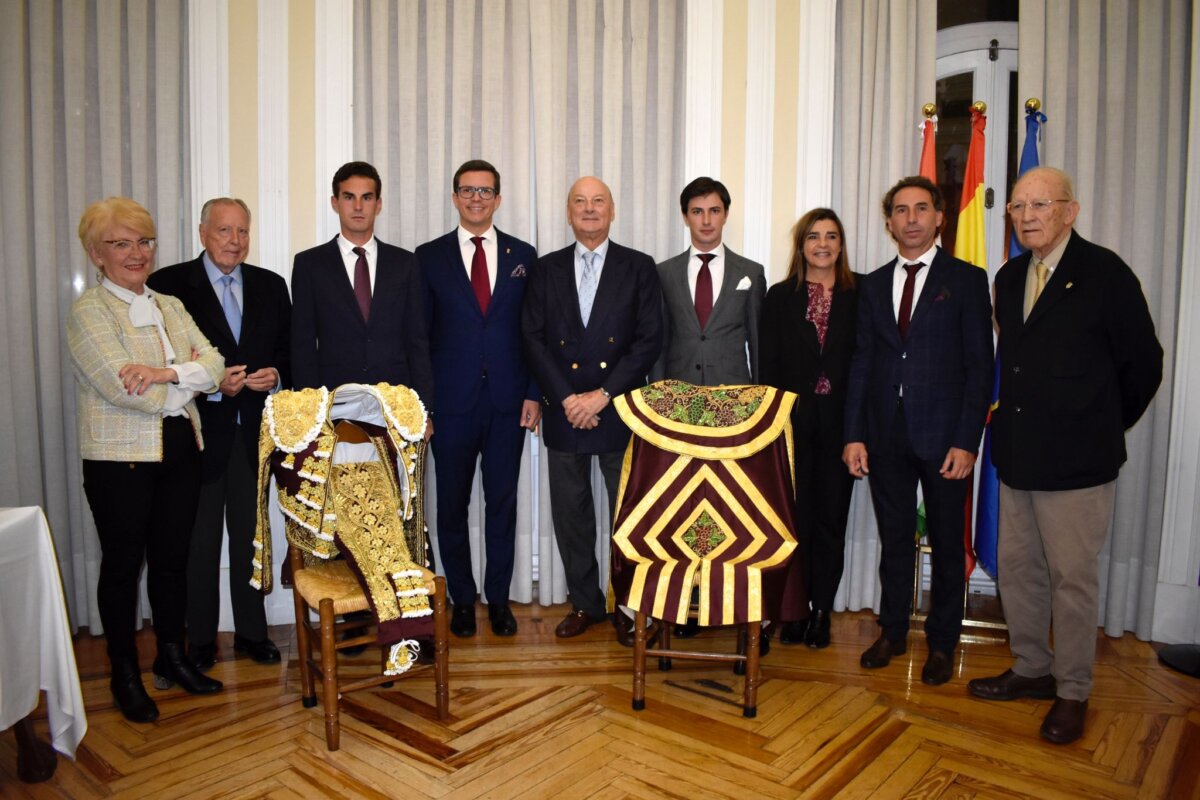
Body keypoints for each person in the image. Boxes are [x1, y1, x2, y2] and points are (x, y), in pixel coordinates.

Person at [967, 167, 1162, 744]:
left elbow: (1143, 365)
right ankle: (1032, 668)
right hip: (1019, 455)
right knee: (1020, 572)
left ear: (1070, 211)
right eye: (1018, 208)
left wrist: (1101, 422)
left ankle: (1072, 690)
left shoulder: (1105, 274)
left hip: (1079, 463)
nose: (1026, 216)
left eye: (1040, 205)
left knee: (1072, 580)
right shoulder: (1006, 277)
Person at [67, 197, 227, 723]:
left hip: (181, 452)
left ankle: (171, 659)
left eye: (143, 241)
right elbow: (122, 387)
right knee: (121, 569)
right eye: (121, 243)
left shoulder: (169, 305)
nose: (136, 253)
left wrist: (165, 373)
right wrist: (187, 380)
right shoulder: (90, 311)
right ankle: (124, 674)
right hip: (120, 463)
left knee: (171, 564)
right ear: (97, 253)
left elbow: (217, 363)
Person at [842, 176, 993, 686]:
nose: (911, 219)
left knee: (949, 544)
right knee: (895, 541)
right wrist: (854, 434)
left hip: (946, 439)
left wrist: (967, 440)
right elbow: (862, 362)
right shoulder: (873, 283)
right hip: (886, 436)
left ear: (939, 217)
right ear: (889, 222)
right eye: (901, 210)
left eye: (920, 209)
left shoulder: (967, 279)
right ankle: (892, 632)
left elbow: (980, 367)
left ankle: (943, 644)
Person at [147, 198, 290, 671]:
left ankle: (252, 633)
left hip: (252, 433)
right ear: (203, 233)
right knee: (200, 543)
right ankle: (202, 641)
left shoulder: (271, 285)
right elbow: (161, 359)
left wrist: (274, 374)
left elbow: (287, 354)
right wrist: (211, 381)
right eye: (225, 231)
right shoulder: (168, 286)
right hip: (198, 435)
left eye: (242, 231)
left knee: (252, 539)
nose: (235, 241)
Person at [522, 176, 663, 644]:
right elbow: (533, 339)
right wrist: (566, 398)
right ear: (568, 213)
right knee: (572, 514)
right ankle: (585, 603)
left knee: (629, 515)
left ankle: (625, 606)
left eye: (597, 201)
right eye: (579, 202)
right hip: (564, 410)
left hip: (617, 409)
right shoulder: (545, 270)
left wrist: (603, 394)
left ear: (612, 210)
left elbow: (648, 341)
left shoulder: (639, 267)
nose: (589, 209)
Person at [416, 160, 540, 638]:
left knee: (502, 505)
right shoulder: (427, 258)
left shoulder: (522, 255)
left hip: (509, 403)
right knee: (450, 506)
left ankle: (499, 599)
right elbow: (419, 339)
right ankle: (462, 599)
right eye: (467, 190)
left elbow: (534, 333)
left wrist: (534, 393)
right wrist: (423, 405)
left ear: (498, 199)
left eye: (485, 191)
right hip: (449, 405)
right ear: (454, 198)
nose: (476, 198)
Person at [652, 175, 766, 640]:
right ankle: (687, 603)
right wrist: (659, 399)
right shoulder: (663, 272)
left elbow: (758, 346)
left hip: (732, 412)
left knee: (728, 509)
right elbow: (659, 342)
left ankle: (729, 603)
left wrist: (759, 407)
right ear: (685, 217)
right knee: (682, 510)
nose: (705, 220)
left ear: (725, 214)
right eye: (697, 211)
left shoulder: (751, 272)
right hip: (679, 410)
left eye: (714, 211)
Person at [760, 208, 857, 648]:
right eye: (813, 237)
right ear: (801, 246)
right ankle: (793, 611)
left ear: (841, 245)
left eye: (831, 236)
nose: (822, 244)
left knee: (830, 523)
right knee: (793, 522)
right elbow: (769, 369)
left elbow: (866, 366)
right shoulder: (780, 297)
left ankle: (821, 611)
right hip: (791, 429)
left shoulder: (862, 294)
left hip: (842, 430)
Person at [290, 161, 434, 409]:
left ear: (378, 204)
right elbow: (302, 344)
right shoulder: (309, 265)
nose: (358, 206)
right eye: (349, 197)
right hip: (333, 402)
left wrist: (424, 408)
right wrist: (309, 411)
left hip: (396, 403)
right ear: (335, 203)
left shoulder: (405, 263)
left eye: (366, 198)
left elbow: (417, 340)